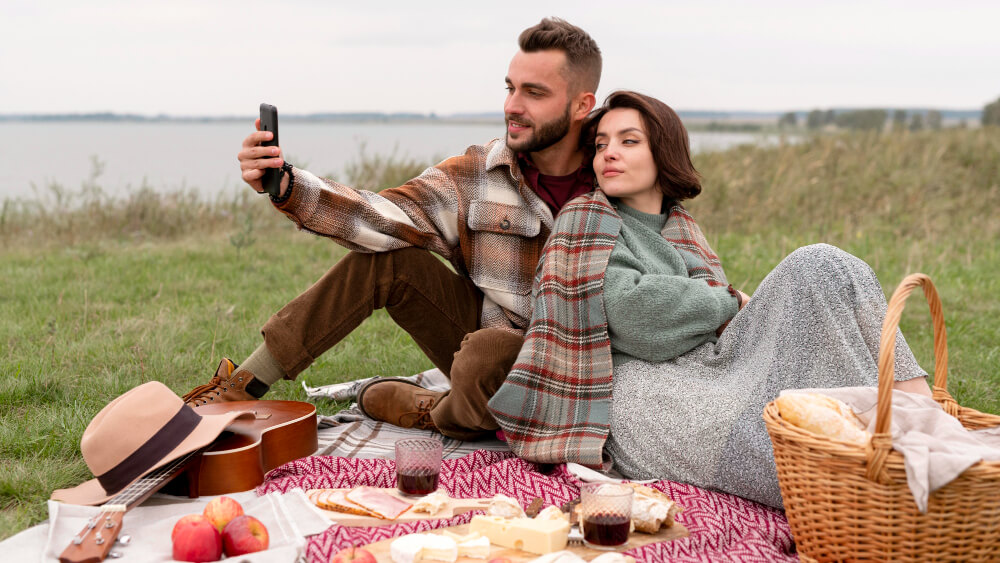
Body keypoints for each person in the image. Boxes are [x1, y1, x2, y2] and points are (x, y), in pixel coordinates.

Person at [487, 90, 932, 508]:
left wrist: (727, 311)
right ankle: (873, 482)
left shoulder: (685, 230)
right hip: (630, 387)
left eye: (628, 141)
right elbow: (636, 318)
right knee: (753, 431)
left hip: (711, 370)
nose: (609, 153)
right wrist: (730, 302)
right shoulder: (583, 222)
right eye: (601, 144)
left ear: (663, 151)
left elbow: (716, 333)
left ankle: (921, 416)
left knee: (821, 264)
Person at [180, 18, 602, 441]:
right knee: (402, 271)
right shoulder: (479, 172)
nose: (512, 106)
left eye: (534, 93)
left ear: (582, 105)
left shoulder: (619, 177)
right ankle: (239, 390)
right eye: (510, 88)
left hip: (584, 368)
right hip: (491, 353)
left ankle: (438, 411)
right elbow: (384, 215)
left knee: (485, 358)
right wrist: (289, 186)